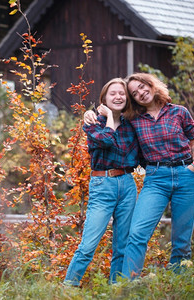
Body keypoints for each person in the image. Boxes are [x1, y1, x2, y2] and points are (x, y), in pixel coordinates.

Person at [84, 73, 194, 280]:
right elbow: (111, 120)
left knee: (181, 241)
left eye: (142, 87)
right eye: (134, 93)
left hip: (187, 177)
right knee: (137, 233)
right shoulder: (134, 120)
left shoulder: (179, 112)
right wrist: (90, 112)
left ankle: (176, 286)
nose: (140, 93)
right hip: (156, 179)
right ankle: (127, 284)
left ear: (152, 85)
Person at [64, 78, 141, 286]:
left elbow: (135, 156)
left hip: (127, 185)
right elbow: (106, 140)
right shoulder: (92, 122)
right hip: (102, 185)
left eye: (122, 93)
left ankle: (115, 290)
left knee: (122, 245)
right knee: (88, 244)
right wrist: (107, 118)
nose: (118, 97)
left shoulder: (130, 125)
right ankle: (68, 288)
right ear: (104, 99)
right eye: (113, 93)